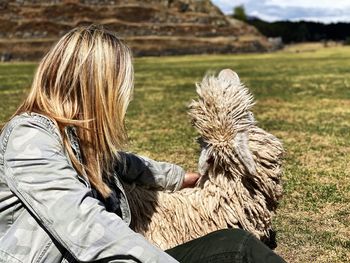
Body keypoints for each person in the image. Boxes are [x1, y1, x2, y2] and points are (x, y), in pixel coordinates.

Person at [0, 25, 286, 263]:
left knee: (235, 246)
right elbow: (86, 225)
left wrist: (178, 177)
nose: (125, 98)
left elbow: (122, 162)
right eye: (119, 86)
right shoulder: (30, 138)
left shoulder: (74, 138)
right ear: (94, 87)